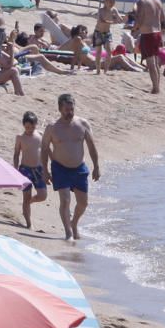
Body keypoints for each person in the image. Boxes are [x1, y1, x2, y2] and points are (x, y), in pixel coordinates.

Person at [40, 94, 100, 241]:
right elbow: (44, 148)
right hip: (60, 168)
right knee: (65, 200)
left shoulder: (83, 124)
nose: (70, 112)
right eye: (66, 109)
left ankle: (74, 223)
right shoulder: (52, 127)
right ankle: (68, 232)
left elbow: (91, 147)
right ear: (60, 109)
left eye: (72, 109)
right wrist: (45, 171)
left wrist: (96, 166)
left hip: (79, 168)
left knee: (83, 203)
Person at [14, 111, 47, 229]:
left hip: (38, 170)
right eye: (27, 127)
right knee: (26, 197)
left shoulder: (40, 134)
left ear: (36, 124)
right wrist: (15, 168)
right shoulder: (20, 138)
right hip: (25, 170)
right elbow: (16, 154)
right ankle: (29, 223)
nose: (30, 129)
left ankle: (29, 202)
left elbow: (45, 151)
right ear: (23, 125)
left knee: (43, 196)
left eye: (32, 127)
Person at [134, 0, 165, 94]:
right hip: (157, 33)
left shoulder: (141, 2)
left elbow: (140, 20)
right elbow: (162, 18)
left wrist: (134, 29)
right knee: (155, 62)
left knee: (151, 64)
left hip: (148, 34)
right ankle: (157, 87)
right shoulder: (157, 0)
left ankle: (156, 88)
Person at [93, 0, 124, 75]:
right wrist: (113, 21)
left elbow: (120, 19)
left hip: (107, 33)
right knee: (98, 52)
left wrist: (123, 18)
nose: (112, 4)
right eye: (110, 2)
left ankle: (106, 71)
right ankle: (98, 70)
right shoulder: (101, 10)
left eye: (113, 2)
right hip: (98, 32)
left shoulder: (114, 10)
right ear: (105, 1)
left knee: (109, 51)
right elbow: (101, 21)